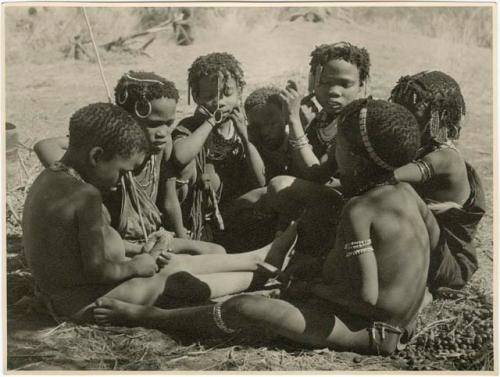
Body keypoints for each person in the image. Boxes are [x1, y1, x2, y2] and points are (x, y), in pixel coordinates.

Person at [91, 99, 438, 356]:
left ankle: (149, 315)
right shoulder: (408, 194)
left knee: (246, 308)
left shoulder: (359, 210)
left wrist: (307, 286)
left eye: (339, 146)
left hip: (373, 332)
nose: (333, 149)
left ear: (358, 157)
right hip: (400, 320)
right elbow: (433, 240)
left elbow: (366, 297)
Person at [23, 103, 299, 323]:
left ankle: (258, 258)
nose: (121, 181)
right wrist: (137, 265)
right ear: (96, 156)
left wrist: (140, 250)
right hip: (82, 300)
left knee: (174, 264)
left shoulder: (50, 179)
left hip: (75, 289)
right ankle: (257, 275)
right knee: (177, 283)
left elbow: (77, 248)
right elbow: (99, 270)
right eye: (122, 171)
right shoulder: (86, 196)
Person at [35, 71, 200, 245]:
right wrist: (80, 186)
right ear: (127, 119)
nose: (163, 133)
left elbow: (169, 200)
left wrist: (183, 238)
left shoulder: (163, 147)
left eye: (169, 124)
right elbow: (44, 146)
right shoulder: (110, 149)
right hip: (114, 242)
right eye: (153, 124)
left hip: (150, 238)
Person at [389, 70, 485, 291]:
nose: (404, 118)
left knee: (394, 193)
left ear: (438, 116)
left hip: (449, 262)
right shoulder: (421, 148)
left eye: (413, 113)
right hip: (425, 246)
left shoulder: (445, 158)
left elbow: (388, 178)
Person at [171, 52, 269, 246]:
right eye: (209, 96)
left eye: (227, 94)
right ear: (196, 96)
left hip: (237, 210)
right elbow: (180, 157)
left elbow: (261, 181)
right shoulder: (191, 127)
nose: (219, 102)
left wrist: (244, 137)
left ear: (240, 91)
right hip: (202, 217)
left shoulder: (245, 129)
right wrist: (209, 122)